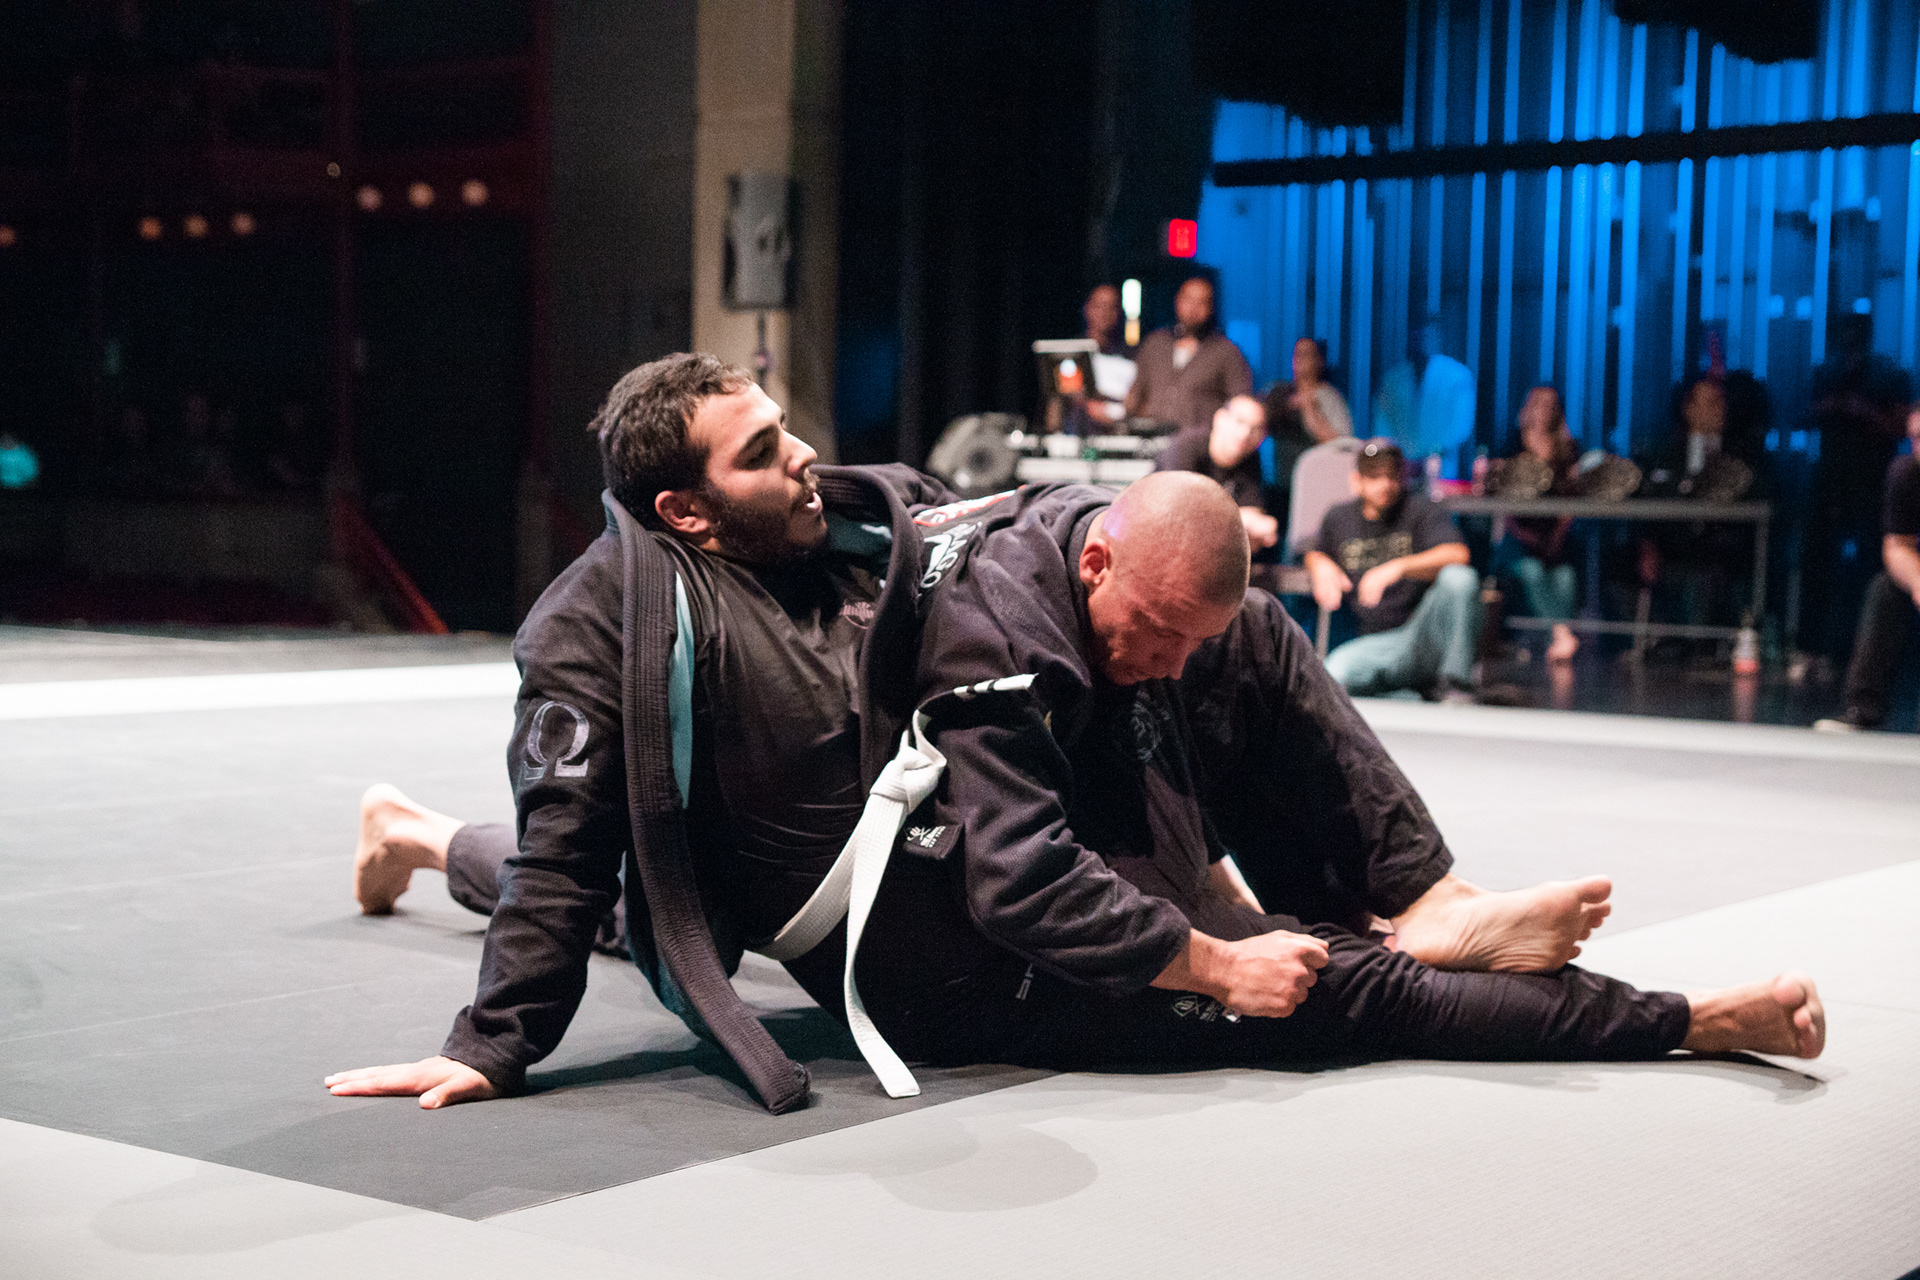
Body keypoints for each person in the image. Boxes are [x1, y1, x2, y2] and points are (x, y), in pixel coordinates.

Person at [327, 358, 1823, 1111]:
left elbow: (1023, 554)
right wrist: (491, 1045)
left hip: (977, 807)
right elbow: (571, 847)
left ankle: (1430, 895)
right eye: (764, 453)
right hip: (885, 911)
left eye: (787, 429)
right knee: (597, 889)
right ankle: (1678, 1019)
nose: (804, 454)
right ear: (685, 510)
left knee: (1243, 631)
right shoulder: (596, 626)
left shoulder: (861, 523)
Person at [1305, 439, 1481, 700]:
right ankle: (1407, 693)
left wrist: (1397, 567)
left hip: (1422, 632)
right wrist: (1318, 563)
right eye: (1374, 477)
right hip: (1377, 643)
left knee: (1459, 578)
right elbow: (1313, 551)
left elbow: (1458, 554)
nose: (1385, 484)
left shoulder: (1421, 508)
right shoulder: (1338, 517)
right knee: (1336, 673)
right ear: (1357, 481)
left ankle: (1457, 685)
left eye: (1391, 476)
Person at [1816, 402, 1920, 732]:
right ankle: (1862, 709)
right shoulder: (1906, 473)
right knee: (1885, 590)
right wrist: (1918, 582)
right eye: (1915, 439)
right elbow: (1897, 546)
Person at [1492, 386, 1582, 664]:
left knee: (1565, 577)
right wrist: (1521, 534)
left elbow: (1572, 499)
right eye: (1538, 402)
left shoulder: (1568, 449)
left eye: (1549, 404)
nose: (1543, 409)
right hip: (1517, 536)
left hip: (1554, 536)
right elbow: (1501, 498)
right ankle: (1561, 634)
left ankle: (1556, 637)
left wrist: (1556, 537)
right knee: (1531, 571)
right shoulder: (1511, 445)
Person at [1153, 393, 1284, 569]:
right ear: (1220, 419)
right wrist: (1237, 521)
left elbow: (1256, 520)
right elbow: (1179, 514)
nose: (1245, 433)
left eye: (1255, 428)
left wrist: (1241, 524)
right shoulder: (1184, 449)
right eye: (1240, 421)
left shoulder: (1250, 461)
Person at [1124, 276, 1253, 441]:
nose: (1193, 308)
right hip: (1152, 440)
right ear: (1177, 301)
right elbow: (1136, 394)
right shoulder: (1155, 343)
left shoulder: (1226, 352)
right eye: (1188, 299)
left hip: (1199, 444)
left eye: (1201, 302)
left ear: (1211, 307)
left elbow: (1240, 403)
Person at [1372, 321, 1475, 471]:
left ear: (1438, 338)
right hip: (1400, 464)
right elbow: (1383, 422)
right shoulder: (1393, 378)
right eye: (1416, 337)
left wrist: (1430, 455)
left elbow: (1461, 425)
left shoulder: (1457, 376)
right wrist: (1396, 455)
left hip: (1441, 464)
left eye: (1426, 336)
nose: (1421, 342)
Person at [1060, 284, 1135, 436]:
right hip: (1075, 436)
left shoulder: (1133, 356)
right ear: (1087, 309)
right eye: (1099, 306)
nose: (1104, 313)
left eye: (1111, 307)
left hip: (1119, 436)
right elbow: (1064, 396)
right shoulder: (1071, 353)